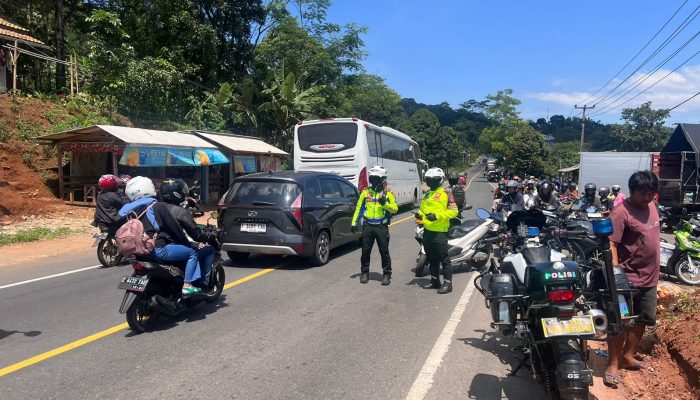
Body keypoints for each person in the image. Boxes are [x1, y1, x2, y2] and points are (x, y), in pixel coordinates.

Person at [604, 171, 661, 389]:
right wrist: (617, 276)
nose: (647, 197)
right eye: (643, 193)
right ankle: (613, 363)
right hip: (627, 278)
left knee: (643, 319)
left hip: (650, 276)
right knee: (620, 322)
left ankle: (628, 356)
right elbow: (612, 244)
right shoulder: (621, 212)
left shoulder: (653, 206)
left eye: (651, 193)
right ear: (632, 190)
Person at [120, 176, 208, 296]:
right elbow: (175, 229)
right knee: (192, 252)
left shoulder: (126, 211)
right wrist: (191, 244)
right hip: (156, 249)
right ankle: (187, 285)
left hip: (136, 251)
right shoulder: (157, 206)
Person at [158, 179, 216, 290]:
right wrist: (209, 235)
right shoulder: (180, 212)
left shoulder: (155, 207)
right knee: (207, 250)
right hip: (168, 246)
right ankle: (201, 284)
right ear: (177, 194)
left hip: (152, 246)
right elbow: (196, 234)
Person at [351, 165, 398, 285]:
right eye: (372, 178)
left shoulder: (388, 193)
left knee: (384, 251)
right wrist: (354, 223)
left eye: (376, 178)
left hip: (381, 227)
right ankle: (364, 273)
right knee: (365, 251)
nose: (373, 181)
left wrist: (385, 204)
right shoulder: (366, 192)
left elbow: (395, 209)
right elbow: (359, 208)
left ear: (382, 179)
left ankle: (387, 274)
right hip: (368, 226)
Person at [415, 167, 459, 294]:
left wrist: (437, 216)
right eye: (428, 180)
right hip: (428, 230)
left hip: (440, 231)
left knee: (444, 258)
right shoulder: (427, 195)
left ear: (439, 181)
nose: (430, 182)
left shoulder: (446, 194)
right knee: (431, 257)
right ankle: (435, 281)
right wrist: (419, 215)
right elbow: (422, 210)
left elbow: (454, 211)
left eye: (433, 180)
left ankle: (448, 284)